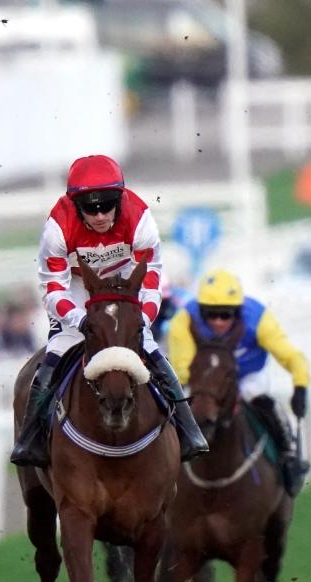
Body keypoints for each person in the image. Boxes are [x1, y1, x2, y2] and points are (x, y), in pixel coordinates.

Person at [11, 154, 208, 467]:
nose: (100, 215)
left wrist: (140, 322)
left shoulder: (140, 219)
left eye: (107, 205)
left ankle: (188, 429)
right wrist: (82, 321)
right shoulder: (57, 228)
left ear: (120, 199)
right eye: (91, 209)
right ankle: (30, 438)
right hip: (78, 287)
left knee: (150, 347)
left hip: (125, 281)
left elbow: (152, 280)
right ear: (76, 206)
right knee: (58, 350)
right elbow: (54, 289)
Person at [167, 269, 311, 495]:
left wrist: (300, 385)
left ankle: (288, 456)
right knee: (179, 407)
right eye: (211, 314)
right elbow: (182, 368)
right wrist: (210, 387)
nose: (218, 321)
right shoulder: (183, 320)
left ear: (238, 311)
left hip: (248, 375)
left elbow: (290, 355)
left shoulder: (258, 318)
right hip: (204, 379)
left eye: (226, 314)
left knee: (264, 402)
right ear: (201, 310)